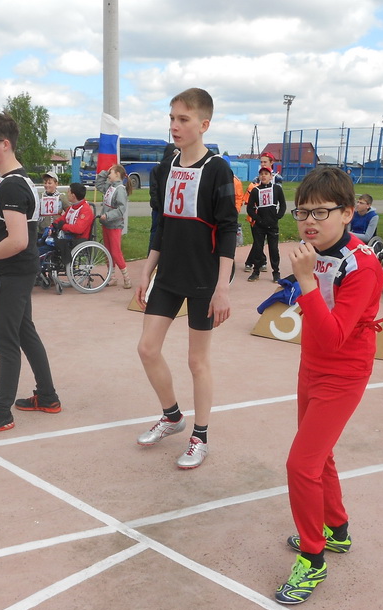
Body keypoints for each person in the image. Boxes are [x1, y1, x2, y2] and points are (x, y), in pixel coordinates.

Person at [275, 167, 383, 606]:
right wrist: (305, 293)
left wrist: (305, 286)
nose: (309, 221)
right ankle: (335, 529)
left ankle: (312, 558)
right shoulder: (312, 250)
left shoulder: (363, 265)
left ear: (347, 213)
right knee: (320, 458)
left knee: (301, 465)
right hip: (312, 365)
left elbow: (336, 335)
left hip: (343, 372)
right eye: (303, 211)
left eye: (321, 211)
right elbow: (320, 318)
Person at [135, 87, 238, 469]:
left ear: (203, 124)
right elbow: (161, 226)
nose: (175, 126)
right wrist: (146, 271)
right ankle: (172, 416)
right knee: (147, 348)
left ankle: (201, 436)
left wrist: (222, 287)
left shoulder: (217, 169)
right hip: (169, 275)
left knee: (198, 362)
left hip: (204, 280)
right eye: (172, 118)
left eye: (183, 119)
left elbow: (229, 229)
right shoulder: (165, 168)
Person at [0, 112, 60, 436]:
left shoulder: (11, 186)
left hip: (11, 274)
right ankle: (47, 396)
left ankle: (1, 412)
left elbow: (18, 240)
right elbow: (11, 230)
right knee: (24, 334)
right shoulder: (16, 181)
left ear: (4, 145)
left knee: (6, 343)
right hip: (16, 271)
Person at [246, 166, 286, 282]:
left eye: (266, 174)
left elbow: (283, 205)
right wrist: (258, 219)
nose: (263, 176)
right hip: (260, 226)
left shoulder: (277, 189)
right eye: (261, 174)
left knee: (274, 249)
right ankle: (256, 271)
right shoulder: (255, 190)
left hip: (273, 225)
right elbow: (249, 208)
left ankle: (276, 272)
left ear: (271, 176)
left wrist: (278, 216)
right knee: (258, 249)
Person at [96, 163, 132, 289]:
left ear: (117, 175)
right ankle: (112, 276)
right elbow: (99, 184)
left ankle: (126, 277)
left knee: (116, 252)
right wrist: (105, 172)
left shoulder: (120, 190)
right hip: (106, 224)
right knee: (108, 252)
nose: (108, 175)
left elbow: (121, 209)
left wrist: (108, 215)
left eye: (111, 173)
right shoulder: (110, 186)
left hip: (115, 225)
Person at [148, 143, 177, 254]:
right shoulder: (157, 170)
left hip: (169, 209)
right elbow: (154, 191)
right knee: (155, 233)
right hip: (158, 209)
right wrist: (159, 206)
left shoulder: (175, 170)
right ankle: (150, 256)